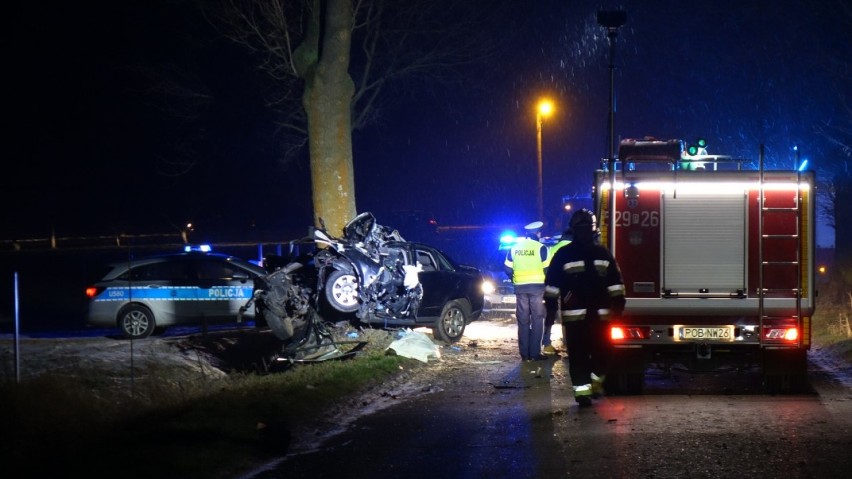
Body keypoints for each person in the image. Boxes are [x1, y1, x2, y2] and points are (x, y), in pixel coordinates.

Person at [544, 209, 625, 406]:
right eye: (581, 228)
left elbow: (615, 283)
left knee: (600, 353)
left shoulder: (599, 253)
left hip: (597, 316)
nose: (583, 232)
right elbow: (552, 285)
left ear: (591, 229)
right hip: (580, 318)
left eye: (585, 228)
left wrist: (618, 303)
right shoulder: (567, 254)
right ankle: (582, 394)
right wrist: (552, 308)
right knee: (583, 355)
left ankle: (593, 384)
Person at [504, 220, 550, 361]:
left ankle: (524, 354)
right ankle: (535, 353)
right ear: (538, 233)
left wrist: (514, 279)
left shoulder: (514, 248)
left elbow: (507, 268)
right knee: (537, 319)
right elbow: (547, 269)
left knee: (523, 321)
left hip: (520, 288)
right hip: (537, 288)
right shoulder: (542, 248)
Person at [542, 230, 572, 355]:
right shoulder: (575, 248)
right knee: (570, 316)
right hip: (569, 287)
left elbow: (547, 269)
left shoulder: (553, 249)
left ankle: (546, 342)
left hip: (553, 286)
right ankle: (568, 344)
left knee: (550, 314)